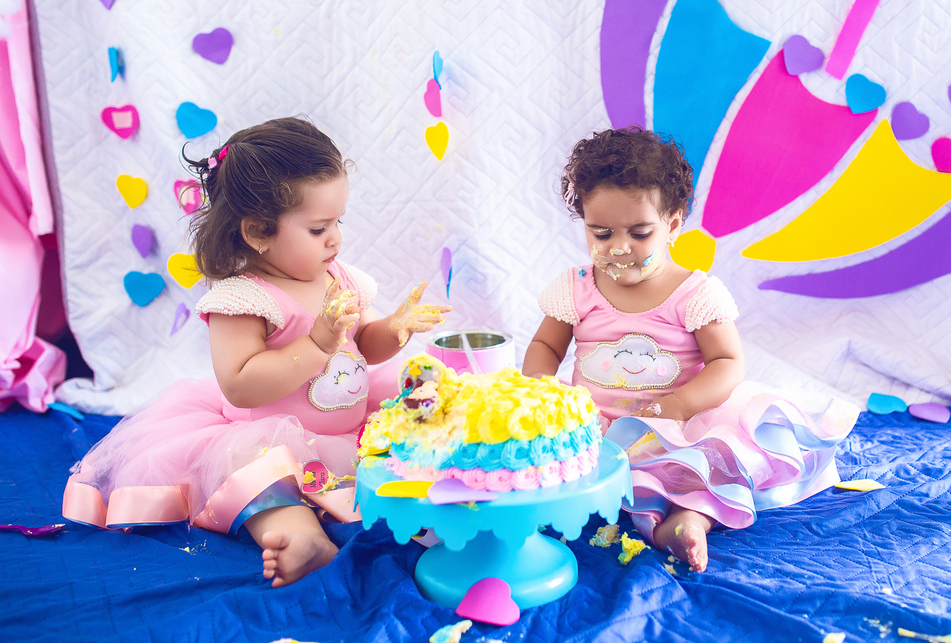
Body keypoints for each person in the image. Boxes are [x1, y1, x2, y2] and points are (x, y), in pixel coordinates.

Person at [62, 117, 451, 587]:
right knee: (256, 477)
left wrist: (393, 329)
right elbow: (241, 384)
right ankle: (302, 537)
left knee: (422, 411)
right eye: (318, 228)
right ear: (258, 233)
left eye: (338, 222)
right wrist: (316, 344)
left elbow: (363, 344)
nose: (335, 238)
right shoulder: (244, 299)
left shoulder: (338, 276)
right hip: (270, 436)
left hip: (350, 425)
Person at [523, 128, 857, 572]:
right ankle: (639, 513)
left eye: (639, 232)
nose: (618, 247)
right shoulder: (577, 288)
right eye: (600, 233)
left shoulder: (694, 294)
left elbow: (727, 362)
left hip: (676, 426)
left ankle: (688, 522)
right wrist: (541, 390)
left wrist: (680, 405)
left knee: (700, 467)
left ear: (673, 224)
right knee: (531, 462)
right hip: (594, 427)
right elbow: (545, 345)